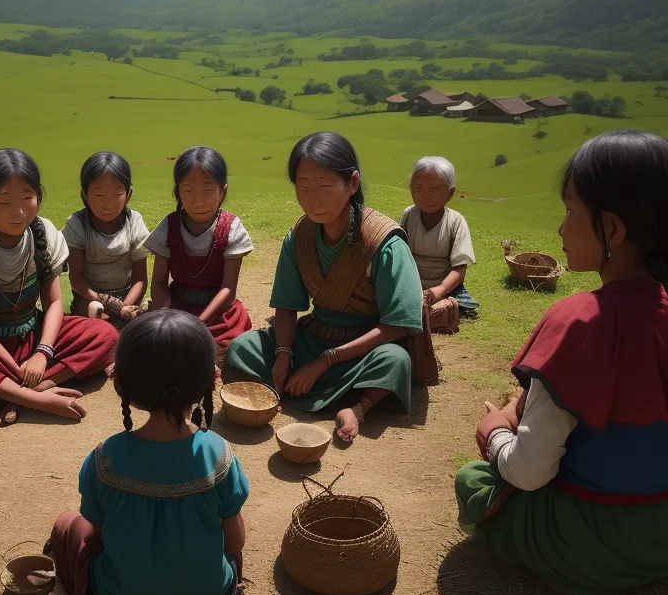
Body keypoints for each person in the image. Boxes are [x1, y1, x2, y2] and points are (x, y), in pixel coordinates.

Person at [455, 130, 668, 595]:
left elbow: (529, 472)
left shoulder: (579, 320)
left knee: (473, 480)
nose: (560, 227)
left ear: (613, 229)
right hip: (661, 535)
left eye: (571, 211)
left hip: (586, 547)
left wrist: (494, 432)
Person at [227, 132, 427, 442]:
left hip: (365, 348)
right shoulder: (300, 237)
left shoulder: (383, 242)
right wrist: (282, 354)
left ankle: (359, 407)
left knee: (395, 361)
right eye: (303, 188)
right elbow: (287, 306)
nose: (312, 199)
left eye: (324, 187)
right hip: (315, 337)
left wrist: (326, 361)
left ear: (353, 184)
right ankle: (297, 382)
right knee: (245, 347)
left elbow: (398, 325)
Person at [48, 309, 249, 595]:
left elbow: (100, 537)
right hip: (208, 593)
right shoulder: (220, 457)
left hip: (118, 593)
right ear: (211, 382)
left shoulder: (105, 460)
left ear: (122, 385)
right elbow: (235, 541)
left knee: (68, 524)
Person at [0, 148, 117, 424]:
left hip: (35, 334)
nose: (19, 212)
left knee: (104, 333)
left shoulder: (46, 234)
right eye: (4, 204)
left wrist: (42, 353)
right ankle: (37, 397)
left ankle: (16, 391)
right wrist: (16, 367)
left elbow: (54, 304)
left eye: (28, 198)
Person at [145, 146, 253, 352]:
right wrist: (168, 313)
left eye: (208, 191)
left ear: (222, 192)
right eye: (188, 191)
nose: (198, 201)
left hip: (217, 313)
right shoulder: (169, 226)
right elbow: (159, 282)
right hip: (176, 307)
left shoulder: (231, 228)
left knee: (232, 346)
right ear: (177, 193)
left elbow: (228, 289)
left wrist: (198, 323)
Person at [63, 152, 150, 328]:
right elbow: (76, 277)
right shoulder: (77, 224)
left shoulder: (134, 221)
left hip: (127, 297)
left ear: (128, 194)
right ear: (85, 195)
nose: (108, 205)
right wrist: (108, 303)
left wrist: (123, 307)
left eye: (117, 195)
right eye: (99, 196)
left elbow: (140, 278)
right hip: (89, 298)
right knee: (96, 319)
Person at [399, 156, 479, 331]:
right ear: (411, 189)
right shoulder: (409, 216)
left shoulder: (456, 221)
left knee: (466, 304)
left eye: (435, 189)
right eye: (419, 188)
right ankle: (432, 313)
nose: (426, 195)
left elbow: (459, 269)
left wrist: (439, 290)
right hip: (412, 283)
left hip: (445, 285)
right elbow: (398, 254)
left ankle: (440, 310)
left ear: (450, 193)